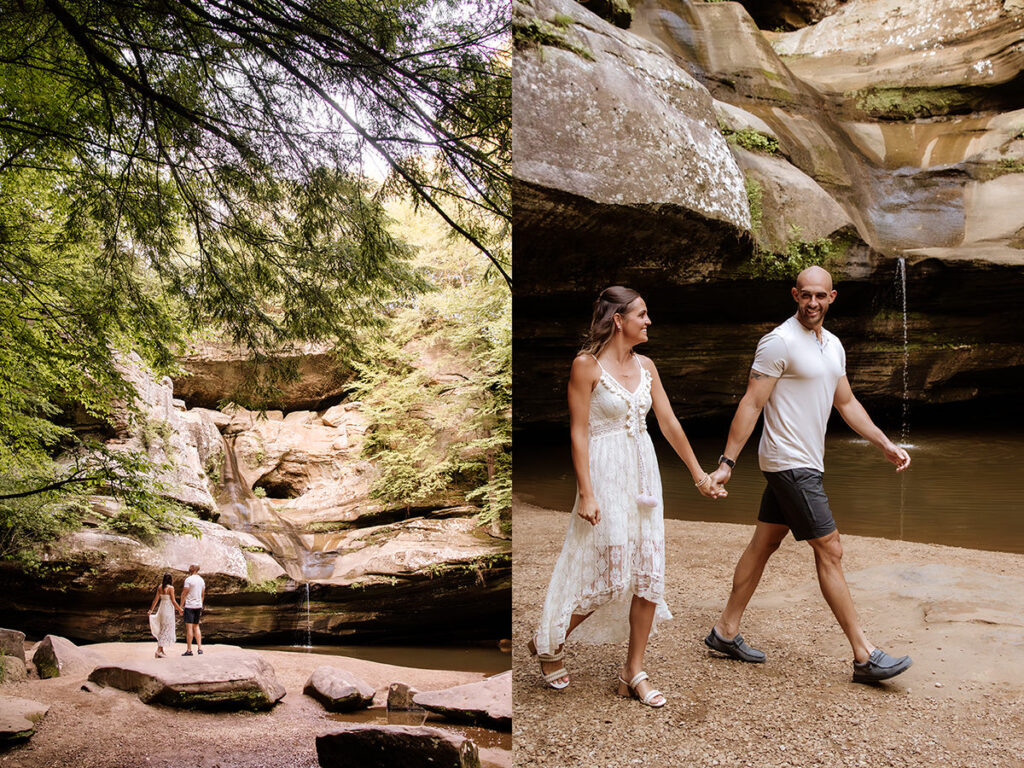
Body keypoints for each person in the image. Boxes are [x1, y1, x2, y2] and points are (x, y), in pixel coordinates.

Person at [705, 265, 913, 683]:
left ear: (832, 298)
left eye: (820, 296)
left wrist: (884, 443)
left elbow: (847, 402)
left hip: (805, 461)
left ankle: (725, 632)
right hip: (788, 462)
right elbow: (751, 404)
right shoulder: (778, 342)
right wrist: (727, 463)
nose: (813, 303)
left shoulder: (832, 345)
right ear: (795, 295)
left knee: (764, 542)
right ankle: (864, 654)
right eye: (806, 295)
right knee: (830, 549)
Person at [528, 286, 725, 707]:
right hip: (604, 475)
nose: (649, 321)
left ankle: (632, 670)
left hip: (643, 478)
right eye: (642, 314)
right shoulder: (586, 366)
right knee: (610, 570)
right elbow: (578, 432)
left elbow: (669, 424)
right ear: (619, 319)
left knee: (648, 572)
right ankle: (549, 638)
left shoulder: (648, 366)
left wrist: (699, 476)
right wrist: (586, 493)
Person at [148, 572, 183, 658]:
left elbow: (155, 600)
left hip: (162, 608)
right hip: (168, 609)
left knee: (162, 627)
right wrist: (180, 609)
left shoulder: (160, 587)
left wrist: (150, 610)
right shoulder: (171, 588)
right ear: (170, 579)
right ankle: (158, 650)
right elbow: (173, 601)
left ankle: (161, 650)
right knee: (165, 628)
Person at [180, 563, 206, 656]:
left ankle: (189, 650)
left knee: (189, 628)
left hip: (190, 606)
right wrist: (200, 604)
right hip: (198, 605)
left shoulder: (189, 580)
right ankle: (199, 648)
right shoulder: (201, 580)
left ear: (193, 569)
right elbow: (202, 594)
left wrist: (180, 606)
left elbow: (184, 593)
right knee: (196, 626)